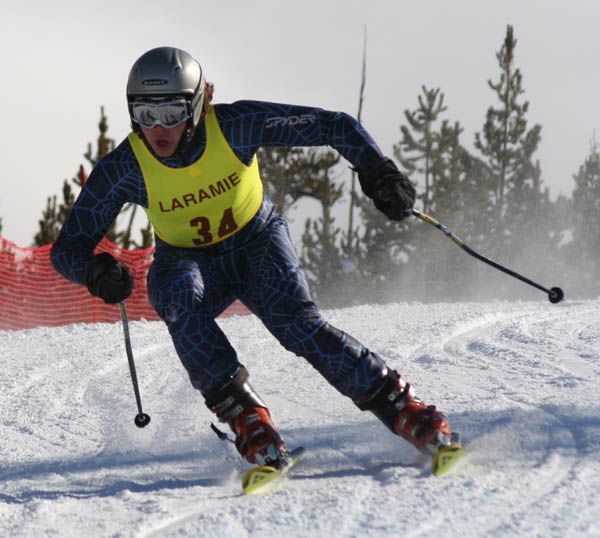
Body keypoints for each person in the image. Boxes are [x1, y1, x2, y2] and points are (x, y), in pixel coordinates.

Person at [51, 46, 452, 468]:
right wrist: (94, 271)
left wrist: (379, 172)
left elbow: (335, 126)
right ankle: (247, 418)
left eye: (171, 111)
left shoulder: (235, 126)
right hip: (189, 260)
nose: (158, 128)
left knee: (298, 326)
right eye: (145, 113)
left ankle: (403, 407)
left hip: (258, 244)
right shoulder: (126, 167)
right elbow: (67, 250)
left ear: (197, 104)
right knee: (173, 293)